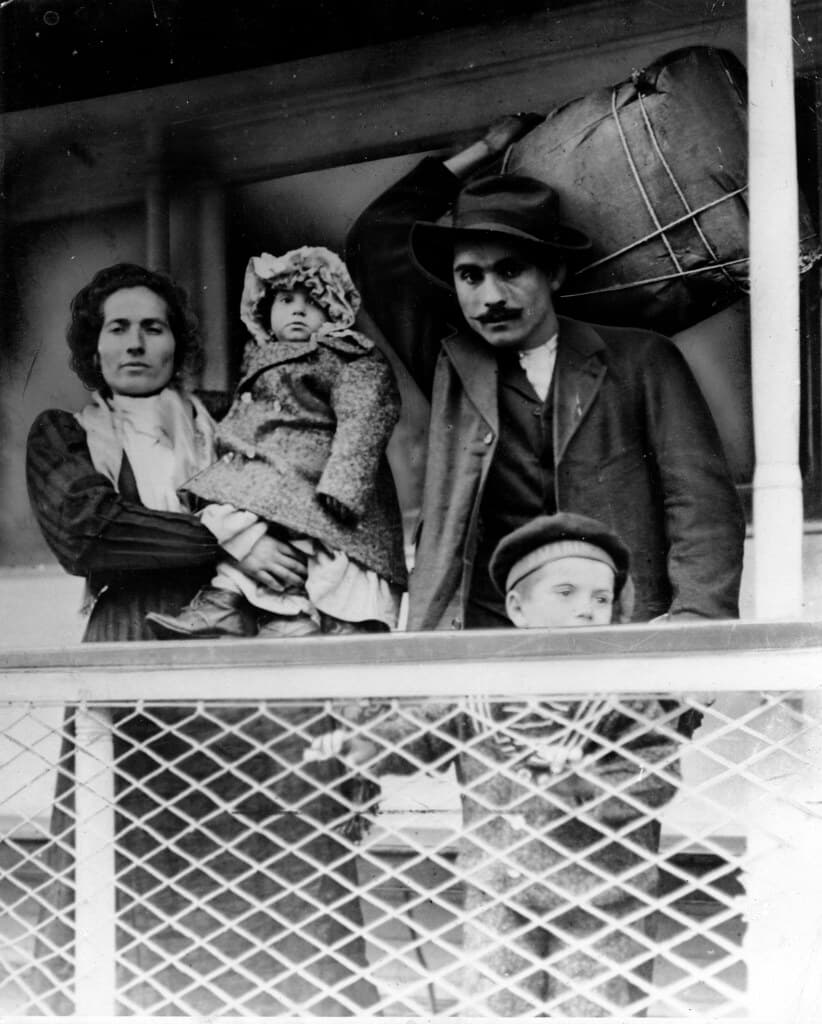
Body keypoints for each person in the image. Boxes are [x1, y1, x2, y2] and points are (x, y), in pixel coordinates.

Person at [25, 262, 379, 1015]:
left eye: (154, 327)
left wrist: (260, 545)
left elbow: (310, 467)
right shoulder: (65, 433)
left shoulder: (230, 413)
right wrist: (234, 539)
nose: (135, 343)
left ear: (177, 342)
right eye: (116, 327)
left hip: (243, 636)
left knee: (266, 840)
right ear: (93, 344)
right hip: (132, 641)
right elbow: (92, 533)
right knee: (127, 841)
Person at [346, 116, 746, 631]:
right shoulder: (451, 362)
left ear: (553, 273)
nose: (489, 297)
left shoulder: (643, 360)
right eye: (470, 275)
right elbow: (375, 241)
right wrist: (484, 150)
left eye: (511, 271)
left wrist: (696, 621)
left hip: (614, 631)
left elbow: (701, 505)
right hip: (484, 639)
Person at [308, 512, 689, 1015]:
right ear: (517, 607)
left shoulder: (621, 693)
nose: (587, 610)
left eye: (601, 599)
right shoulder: (481, 689)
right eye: (566, 593)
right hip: (498, 890)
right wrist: (370, 747)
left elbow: (658, 771)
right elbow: (423, 733)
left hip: (600, 896)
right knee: (497, 1004)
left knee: (591, 1008)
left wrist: (586, 785)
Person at [146, 246, 407, 640]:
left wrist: (344, 482)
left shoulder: (345, 355)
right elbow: (242, 410)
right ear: (264, 311)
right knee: (237, 516)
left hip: (316, 473)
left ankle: (300, 621)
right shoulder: (260, 359)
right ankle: (232, 605)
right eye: (286, 300)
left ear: (335, 313)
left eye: (313, 302)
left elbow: (366, 412)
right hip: (271, 473)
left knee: (328, 563)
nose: (298, 310)